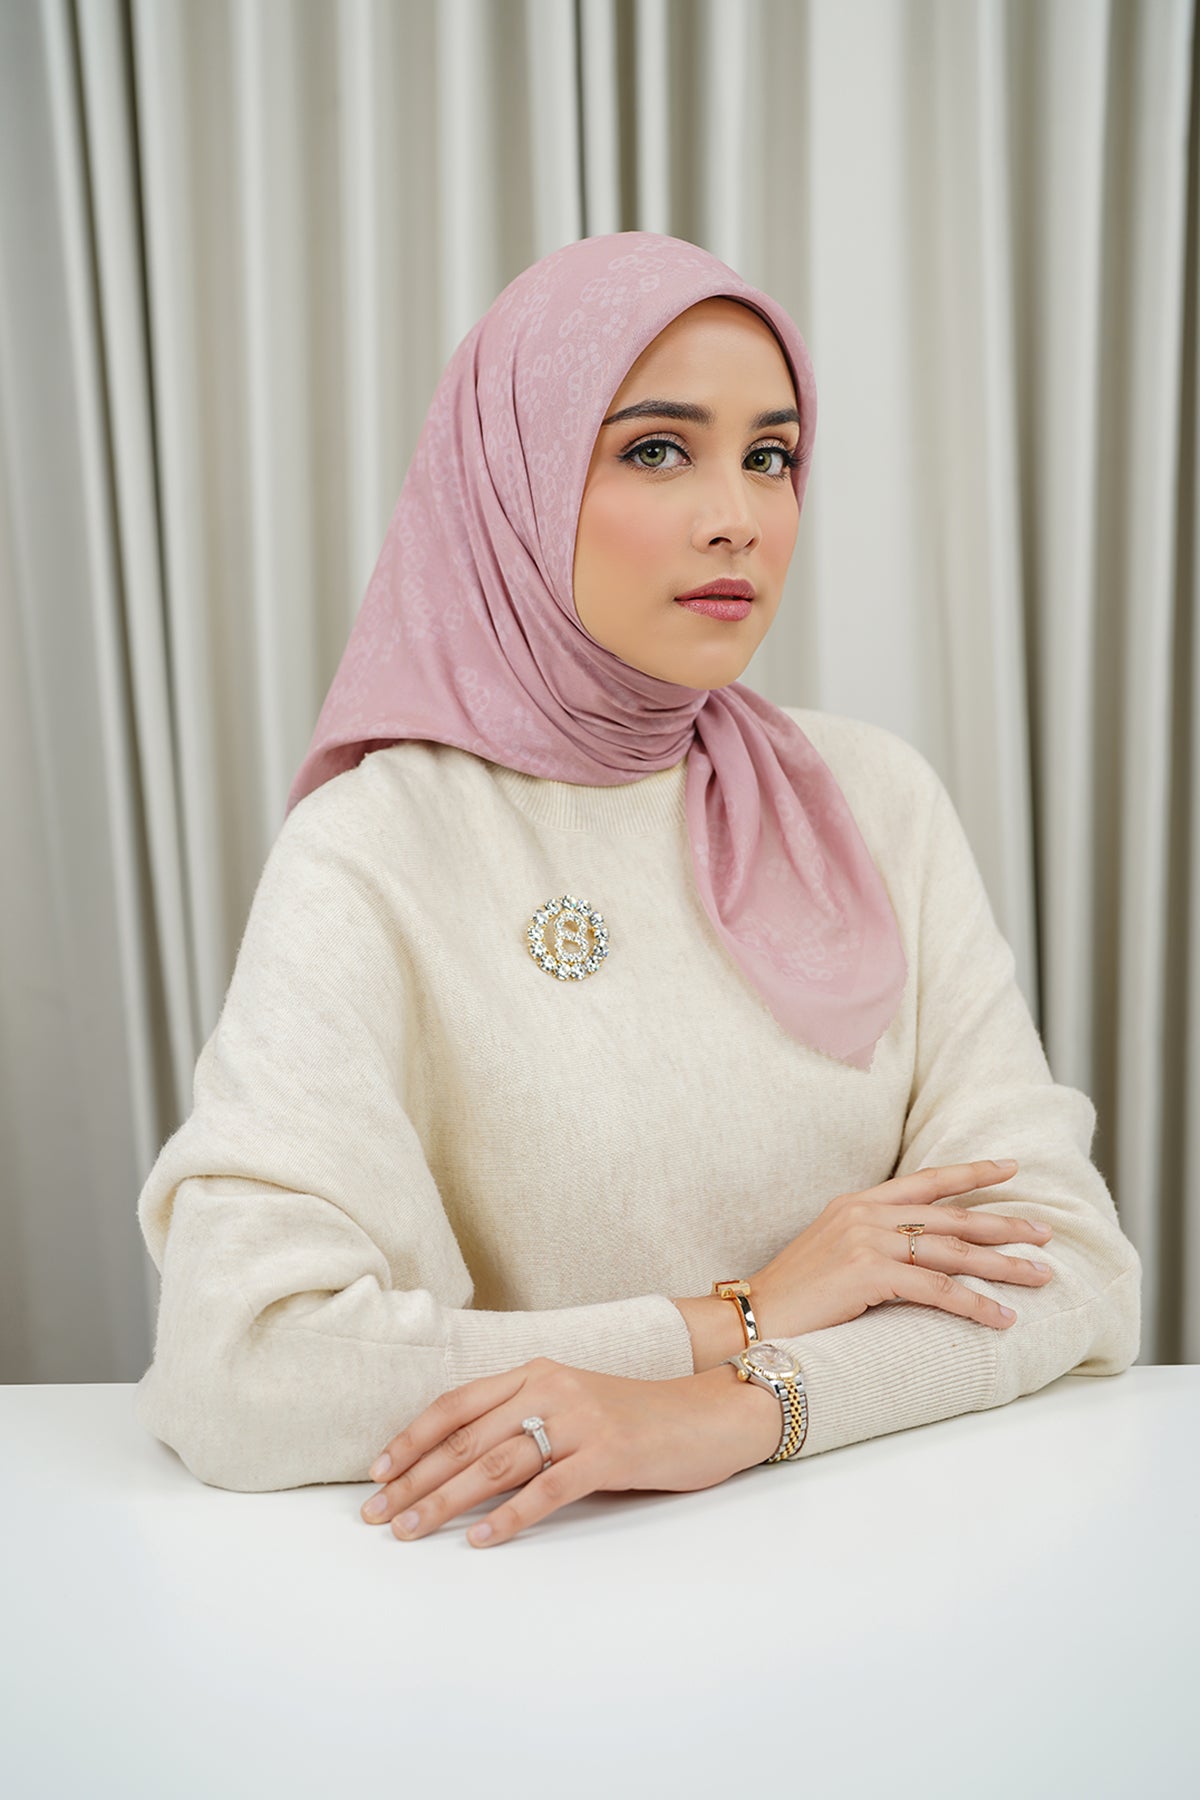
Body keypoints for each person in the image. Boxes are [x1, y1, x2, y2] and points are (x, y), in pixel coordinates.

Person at [134, 230, 1141, 1547]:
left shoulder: (872, 799)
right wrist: (735, 1318)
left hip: (882, 1554)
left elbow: (1067, 1267)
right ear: (515, 480)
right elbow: (243, 1365)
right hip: (517, 1589)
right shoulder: (376, 846)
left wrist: (730, 1411)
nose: (738, 516)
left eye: (770, 457)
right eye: (658, 450)